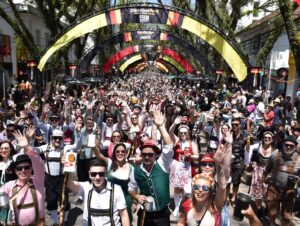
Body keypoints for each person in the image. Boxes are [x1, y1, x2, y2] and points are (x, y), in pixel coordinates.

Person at [128, 111, 173, 226]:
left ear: (155, 155)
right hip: (145, 214)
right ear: (141, 155)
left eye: (150, 154)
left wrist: (161, 127)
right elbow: (131, 189)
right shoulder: (136, 171)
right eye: (144, 154)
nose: (147, 157)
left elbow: (169, 146)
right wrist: (137, 196)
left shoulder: (162, 164)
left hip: (162, 215)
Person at [33, 128, 82, 225]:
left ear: (62, 139)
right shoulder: (45, 147)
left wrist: (78, 132)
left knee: (64, 200)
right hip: (49, 178)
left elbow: (78, 145)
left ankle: (66, 218)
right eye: (55, 138)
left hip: (62, 178)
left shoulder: (65, 148)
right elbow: (32, 150)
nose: (57, 141)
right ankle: (56, 220)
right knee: (51, 202)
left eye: (59, 138)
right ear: (52, 138)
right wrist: (29, 139)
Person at [176, 142, 230, 226]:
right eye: (204, 164)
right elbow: (184, 207)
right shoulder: (193, 181)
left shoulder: (218, 182)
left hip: (212, 215)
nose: (207, 167)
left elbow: (223, 184)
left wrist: (220, 164)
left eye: (210, 165)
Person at [65, 158, 130, 226]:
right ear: (89, 174)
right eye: (93, 174)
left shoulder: (116, 189)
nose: (97, 177)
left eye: (101, 174)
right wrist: (69, 166)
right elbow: (70, 184)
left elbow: (123, 214)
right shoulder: (86, 188)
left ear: (106, 174)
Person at [0, 129, 45, 225]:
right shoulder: (9, 186)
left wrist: (27, 146)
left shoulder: (38, 180)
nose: (23, 170)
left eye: (26, 167)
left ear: (31, 168)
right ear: (15, 171)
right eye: (19, 168)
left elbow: (38, 162)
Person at [94, 142, 136, 224]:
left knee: (126, 220)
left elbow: (134, 186)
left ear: (126, 153)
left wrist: (134, 202)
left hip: (126, 199)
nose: (120, 153)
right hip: (109, 198)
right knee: (110, 220)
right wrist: (92, 145)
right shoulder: (110, 163)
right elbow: (98, 154)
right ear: (114, 153)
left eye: (122, 151)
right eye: (118, 151)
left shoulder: (131, 168)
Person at [263, 135, 300, 226]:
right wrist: (263, 183)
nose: (288, 147)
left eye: (291, 146)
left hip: (289, 193)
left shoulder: (299, 159)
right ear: (283, 144)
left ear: (295, 147)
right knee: (272, 213)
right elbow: (266, 170)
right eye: (286, 144)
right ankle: (272, 224)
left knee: (287, 217)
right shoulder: (274, 155)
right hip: (274, 189)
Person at [169, 117, 199, 217]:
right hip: (177, 166)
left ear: (188, 133)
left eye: (184, 133)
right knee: (177, 188)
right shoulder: (176, 141)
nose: (183, 135)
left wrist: (190, 156)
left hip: (187, 168)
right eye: (181, 133)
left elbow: (197, 156)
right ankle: (177, 207)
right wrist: (174, 123)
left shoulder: (192, 143)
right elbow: (170, 132)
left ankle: (185, 206)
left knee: (187, 189)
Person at [246, 131, 274, 214]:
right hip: (257, 172)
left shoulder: (274, 150)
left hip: (268, 174)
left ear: (272, 140)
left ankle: (267, 208)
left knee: (266, 193)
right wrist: (252, 162)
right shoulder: (258, 147)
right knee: (258, 192)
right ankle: (259, 209)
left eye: (269, 138)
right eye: (265, 137)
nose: (267, 139)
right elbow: (249, 151)